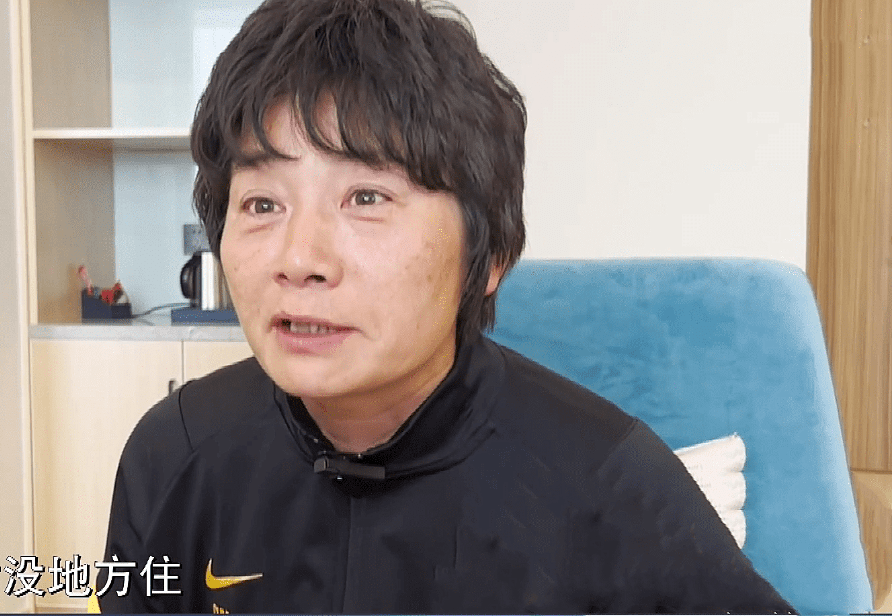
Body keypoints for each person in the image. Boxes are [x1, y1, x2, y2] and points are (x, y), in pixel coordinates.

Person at [97, 0, 796, 612]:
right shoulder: (175, 453)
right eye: (261, 204)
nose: (298, 257)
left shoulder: (611, 483)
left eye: (365, 198)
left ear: (488, 256)